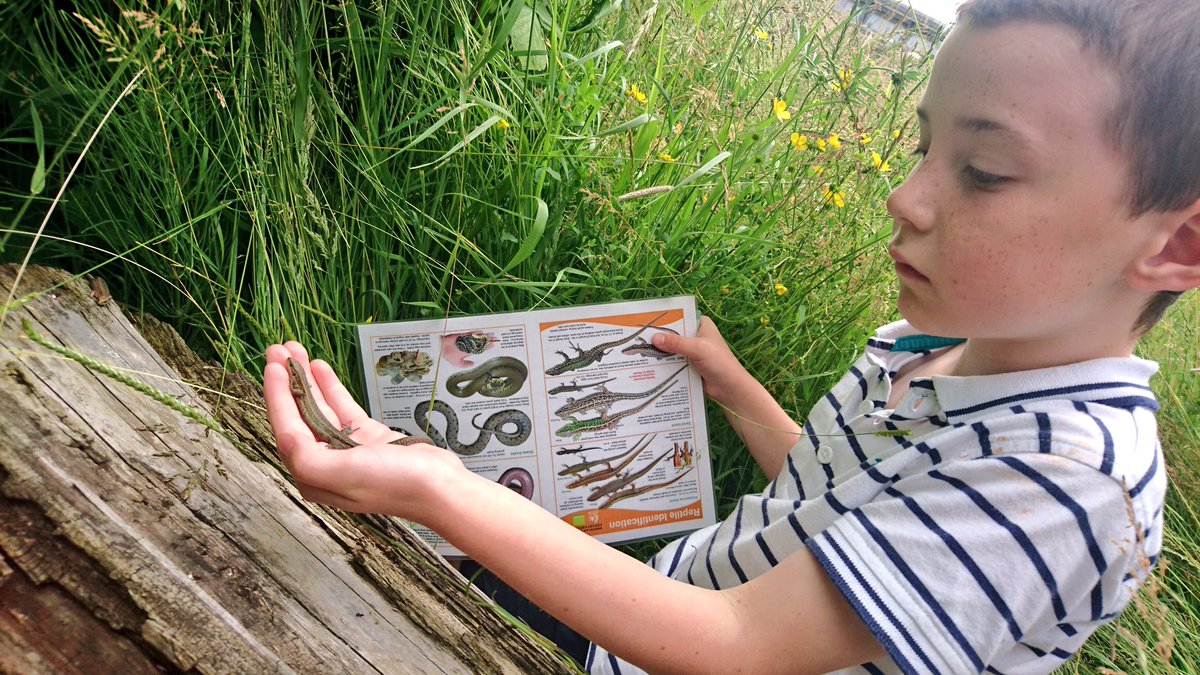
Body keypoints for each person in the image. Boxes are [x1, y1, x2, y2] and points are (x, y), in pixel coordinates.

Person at [262, 0, 1200, 671]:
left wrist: (446, 490)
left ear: (1176, 245)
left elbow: (742, 643)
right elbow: (828, 495)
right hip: (648, 613)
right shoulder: (924, 345)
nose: (905, 197)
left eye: (984, 171)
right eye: (925, 147)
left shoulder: (1070, 481)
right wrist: (731, 385)